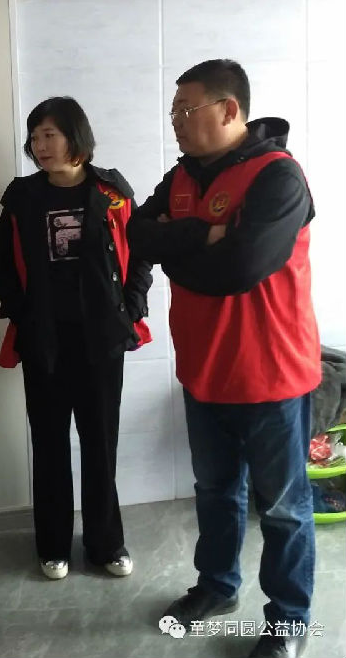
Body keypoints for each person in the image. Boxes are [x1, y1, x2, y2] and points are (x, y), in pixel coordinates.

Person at [127, 60, 320, 658]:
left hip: (271, 374)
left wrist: (178, 250)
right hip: (203, 370)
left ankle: (288, 621)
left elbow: (242, 267)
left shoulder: (278, 176)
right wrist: (202, 236)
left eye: (186, 111)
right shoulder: (181, 176)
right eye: (174, 114)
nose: (176, 123)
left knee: (283, 509)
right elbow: (137, 234)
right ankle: (217, 587)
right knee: (215, 491)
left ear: (229, 110)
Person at [0, 96, 152, 581]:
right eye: (35, 136)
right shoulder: (21, 197)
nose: (40, 145)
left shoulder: (112, 191)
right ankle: (53, 545)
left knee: (100, 444)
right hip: (45, 340)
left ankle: (107, 544)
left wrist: (131, 308)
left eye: (50, 134)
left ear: (74, 136)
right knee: (49, 444)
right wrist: (22, 313)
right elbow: (2, 264)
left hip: (101, 339)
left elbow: (139, 254)